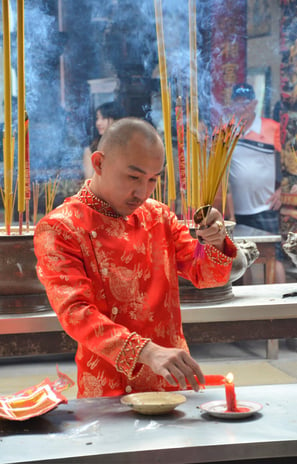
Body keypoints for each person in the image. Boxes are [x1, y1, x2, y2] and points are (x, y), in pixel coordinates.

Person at [34, 117, 237, 398]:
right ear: (99, 163)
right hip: (108, 388)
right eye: (133, 177)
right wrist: (145, 351)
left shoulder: (159, 216)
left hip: (171, 382)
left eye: (153, 179)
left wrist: (215, 242)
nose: (142, 192)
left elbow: (207, 275)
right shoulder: (61, 227)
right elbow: (76, 313)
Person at [228, 83, 286, 283]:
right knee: (243, 259)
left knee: (274, 257)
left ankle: (280, 309)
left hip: (265, 206)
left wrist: (282, 190)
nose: (241, 108)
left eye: (245, 103)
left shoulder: (272, 128)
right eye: (237, 104)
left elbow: (289, 160)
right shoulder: (228, 130)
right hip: (237, 210)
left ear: (254, 104)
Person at [83, 101, 125, 179]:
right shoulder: (92, 149)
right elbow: (89, 180)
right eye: (97, 118)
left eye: (104, 118)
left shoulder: (127, 146)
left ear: (116, 119)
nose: (98, 123)